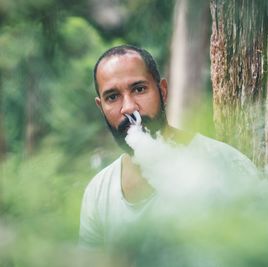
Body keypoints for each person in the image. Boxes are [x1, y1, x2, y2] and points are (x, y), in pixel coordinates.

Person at [79, 44, 258, 249]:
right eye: (112, 97)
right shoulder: (97, 193)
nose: (128, 108)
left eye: (139, 89)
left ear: (162, 91)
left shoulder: (226, 164)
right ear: (101, 107)